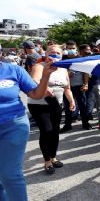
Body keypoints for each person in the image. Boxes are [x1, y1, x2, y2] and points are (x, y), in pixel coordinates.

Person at [0, 59, 56, 200]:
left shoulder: (14, 70)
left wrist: (46, 76)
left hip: (13, 125)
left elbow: (37, 95)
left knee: (10, 174)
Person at [28, 45, 76, 174]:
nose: (55, 55)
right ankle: (47, 161)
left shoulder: (63, 69)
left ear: (62, 55)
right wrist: (43, 86)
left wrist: (71, 100)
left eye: (57, 53)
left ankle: (53, 157)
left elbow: (67, 88)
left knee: (55, 132)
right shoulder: (39, 66)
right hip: (39, 104)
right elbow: (34, 80)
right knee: (47, 130)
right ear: (46, 54)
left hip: (56, 104)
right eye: (52, 52)